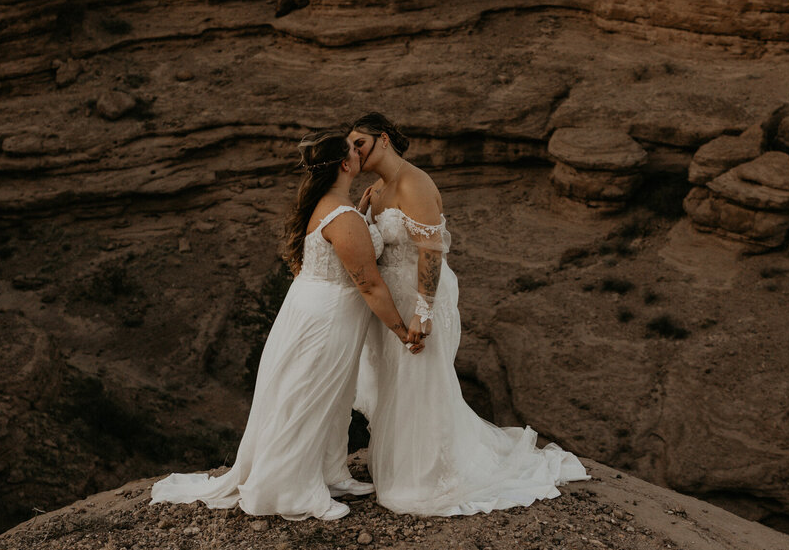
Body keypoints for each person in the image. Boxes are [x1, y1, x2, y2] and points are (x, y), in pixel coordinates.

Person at [151, 130, 421, 521]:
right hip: (327, 317)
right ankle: (292, 490)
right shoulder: (342, 216)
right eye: (353, 149)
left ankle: (331, 471)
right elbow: (368, 283)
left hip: (316, 306)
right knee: (309, 397)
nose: (359, 151)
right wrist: (400, 330)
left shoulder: (334, 204)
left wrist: (361, 213)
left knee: (335, 396)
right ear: (345, 165)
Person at [349, 113, 590, 515]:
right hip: (391, 303)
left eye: (359, 143)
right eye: (350, 145)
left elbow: (431, 251)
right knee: (396, 383)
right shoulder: (375, 188)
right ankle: (402, 462)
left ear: (384, 140)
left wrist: (423, 312)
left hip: (421, 298)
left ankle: (427, 474)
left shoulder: (415, 183)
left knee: (421, 382)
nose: (353, 152)